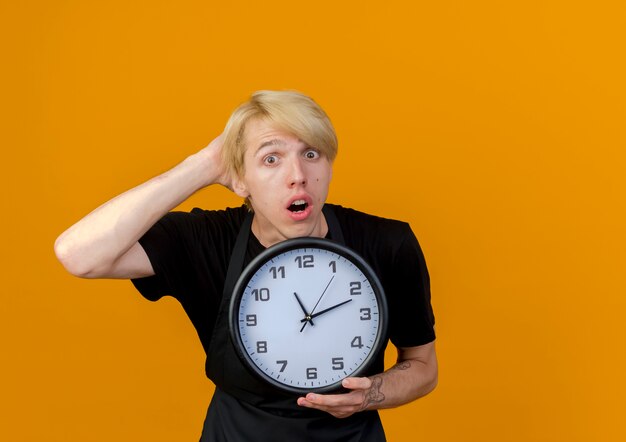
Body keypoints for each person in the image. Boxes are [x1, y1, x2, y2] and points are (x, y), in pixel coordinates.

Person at [55, 90, 438, 441]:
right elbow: (78, 254)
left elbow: (422, 366)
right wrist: (203, 165)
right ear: (239, 179)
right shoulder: (206, 240)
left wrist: (371, 394)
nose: (298, 176)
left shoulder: (388, 242)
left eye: (311, 153)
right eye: (271, 159)